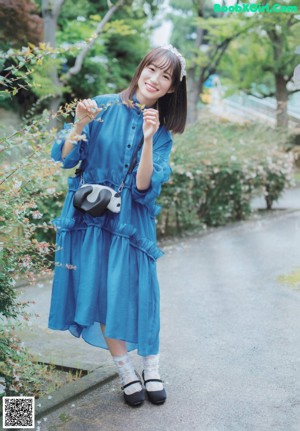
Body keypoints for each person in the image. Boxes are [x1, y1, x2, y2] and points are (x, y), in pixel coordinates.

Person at [49, 45, 187, 407]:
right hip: (91, 219)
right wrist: (80, 122)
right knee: (102, 292)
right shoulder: (103, 105)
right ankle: (125, 371)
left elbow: (144, 186)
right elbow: (64, 157)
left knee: (142, 292)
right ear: (141, 69)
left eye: (165, 76)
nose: (155, 79)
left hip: (131, 222)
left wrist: (146, 139)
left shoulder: (161, 131)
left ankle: (152, 367)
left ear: (172, 88)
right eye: (152, 70)